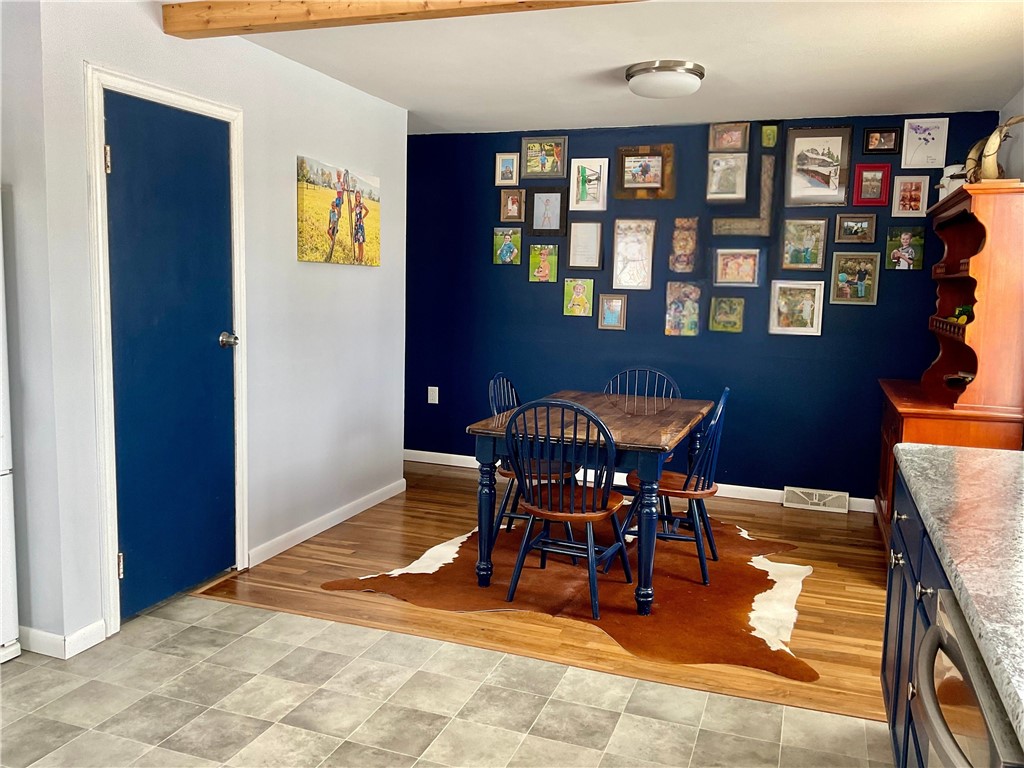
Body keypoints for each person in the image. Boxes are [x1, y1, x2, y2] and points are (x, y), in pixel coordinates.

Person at [352, 190, 370, 264]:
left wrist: (362, 218)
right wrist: (351, 203)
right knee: (358, 242)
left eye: (359, 196)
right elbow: (351, 211)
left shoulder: (362, 204)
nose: (358, 197)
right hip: (356, 224)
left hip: (360, 225)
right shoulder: (355, 204)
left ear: (360, 197)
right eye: (356, 196)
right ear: (355, 197)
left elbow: (367, 211)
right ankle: (358, 257)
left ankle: (361, 259)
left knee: (361, 242)